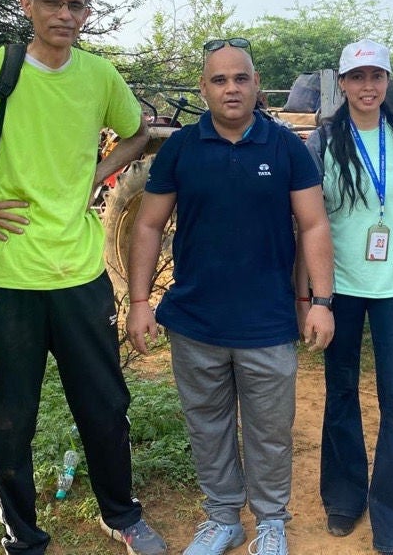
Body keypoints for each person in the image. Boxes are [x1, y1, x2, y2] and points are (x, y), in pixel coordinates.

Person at [0, 0, 163, 555]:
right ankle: (23, 537)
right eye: (51, 1)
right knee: (8, 417)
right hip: (5, 278)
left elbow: (137, 132)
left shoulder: (99, 76)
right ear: (26, 4)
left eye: (75, 4)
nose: (64, 13)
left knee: (105, 406)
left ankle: (122, 514)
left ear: (86, 12)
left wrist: (98, 174)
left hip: (80, 272)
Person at [126, 38, 335, 555]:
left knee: (270, 432)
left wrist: (322, 303)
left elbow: (313, 225)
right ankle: (222, 518)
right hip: (196, 322)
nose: (231, 88)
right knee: (207, 425)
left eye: (241, 78)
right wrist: (139, 302)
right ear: (204, 88)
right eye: (219, 80)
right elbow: (148, 225)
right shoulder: (181, 148)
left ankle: (270, 522)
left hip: (268, 323)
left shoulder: (286, 147)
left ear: (256, 83)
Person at [298, 39, 393, 555]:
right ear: (341, 83)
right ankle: (344, 497)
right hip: (339, 289)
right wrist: (310, 298)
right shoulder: (321, 141)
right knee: (340, 391)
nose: (367, 86)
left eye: (376, 76)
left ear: (387, 81)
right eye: (357, 77)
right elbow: (309, 223)